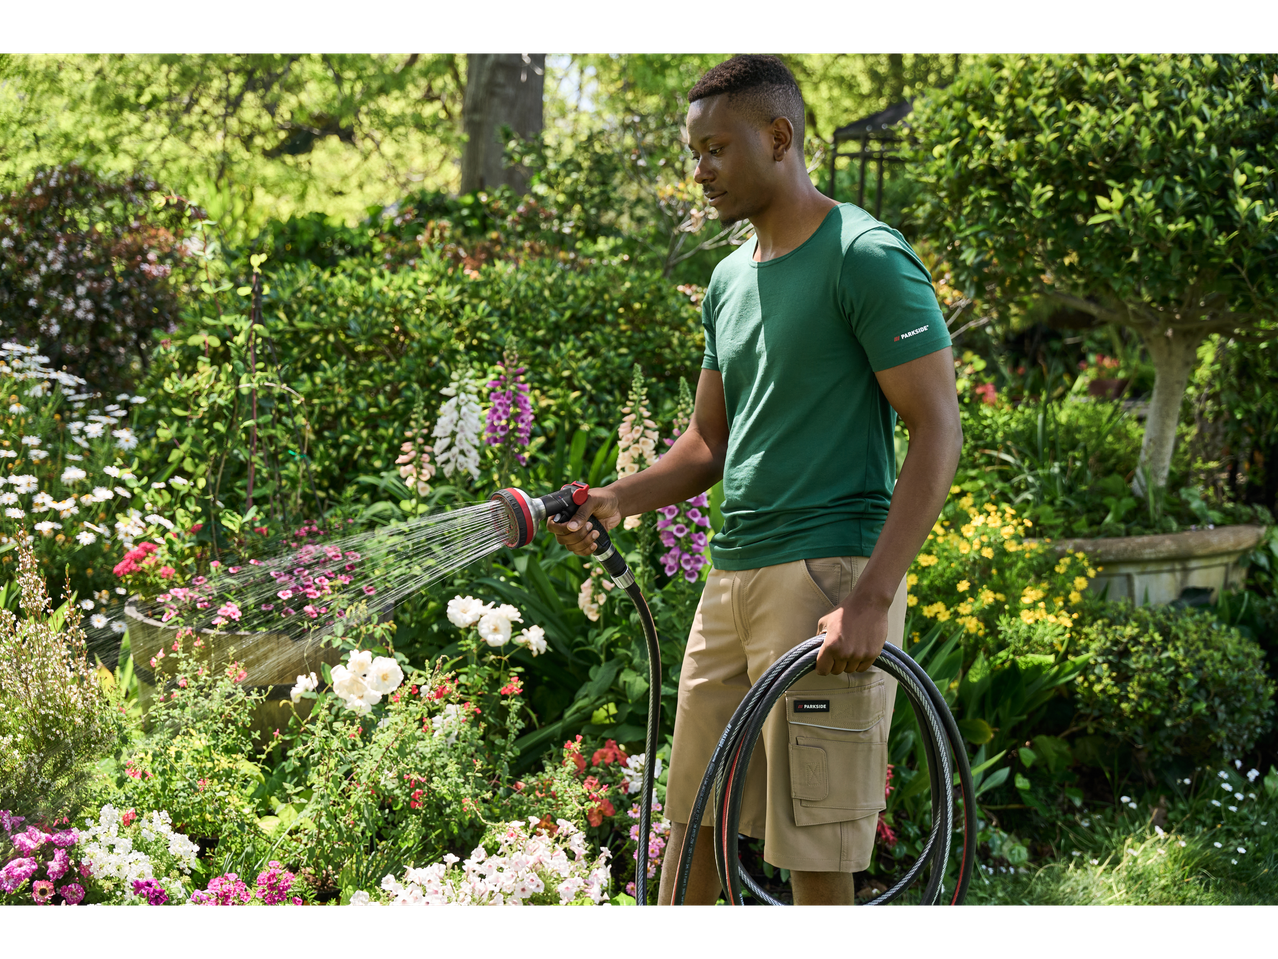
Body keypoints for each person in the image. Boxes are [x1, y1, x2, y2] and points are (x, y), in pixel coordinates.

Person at [549, 55, 962, 907]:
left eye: (715, 149)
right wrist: (619, 498)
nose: (699, 170)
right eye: (692, 152)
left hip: (827, 580)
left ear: (779, 138)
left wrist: (875, 597)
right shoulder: (730, 279)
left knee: (816, 848)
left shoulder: (866, 256)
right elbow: (709, 438)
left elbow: (937, 429)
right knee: (691, 820)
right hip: (730, 581)